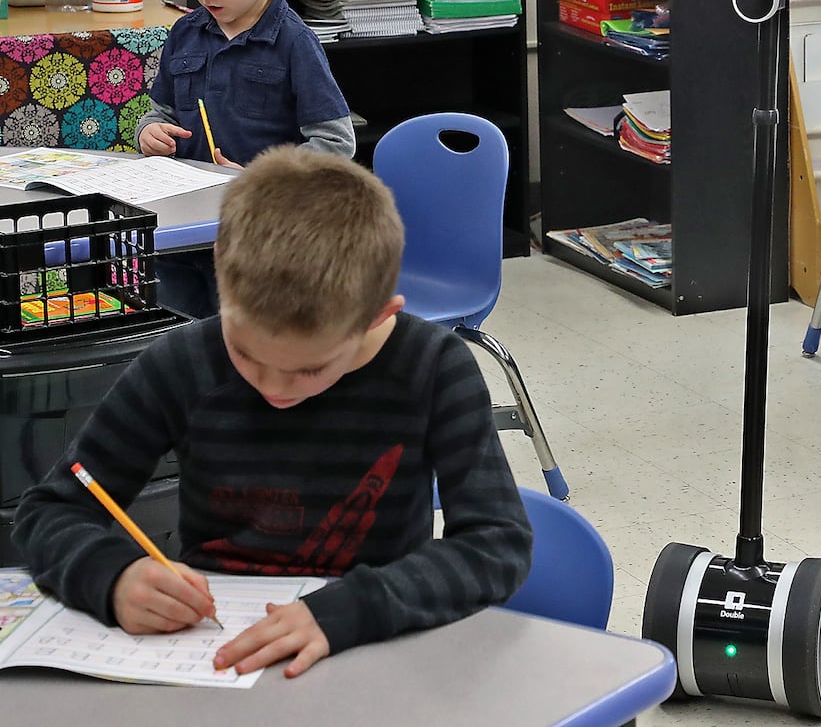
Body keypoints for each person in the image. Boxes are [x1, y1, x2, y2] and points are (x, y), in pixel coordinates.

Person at [14, 147, 533, 679]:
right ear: (220, 271)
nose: (272, 388)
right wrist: (112, 576)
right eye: (246, 354)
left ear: (379, 313)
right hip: (210, 655)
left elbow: (496, 545)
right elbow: (50, 513)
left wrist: (351, 611)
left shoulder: (432, 368)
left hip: (369, 647)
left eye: (310, 370)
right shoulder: (182, 361)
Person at [137, 0, 356, 318]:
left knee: (244, 348)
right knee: (175, 339)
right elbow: (158, 110)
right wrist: (150, 132)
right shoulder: (185, 32)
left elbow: (336, 145)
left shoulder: (294, 43)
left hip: (260, 242)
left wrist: (267, 180)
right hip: (182, 234)